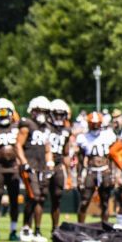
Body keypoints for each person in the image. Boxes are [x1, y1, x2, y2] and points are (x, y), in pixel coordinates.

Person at [16, 96, 54, 242]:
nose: (42, 114)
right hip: (30, 165)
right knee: (34, 195)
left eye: (45, 111)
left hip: (42, 167)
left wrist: (50, 163)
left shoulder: (47, 128)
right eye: (39, 110)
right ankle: (26, 228)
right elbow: (18, 145)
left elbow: (47, 148)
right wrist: (24, 163)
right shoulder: (27, 124)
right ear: (33, 110)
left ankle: (37, 231)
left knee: (41, 197)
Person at [0, 99, 24, 241]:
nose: (3, 115)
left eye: (5, 112)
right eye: (0, 112)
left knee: (14, 200)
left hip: (13, 168)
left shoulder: (16, 128)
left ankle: (13, 230)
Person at [76, 111, 117, 224]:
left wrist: (114, 174)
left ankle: (105, 228)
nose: (95, 126)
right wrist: (79, 177)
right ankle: (80, 227)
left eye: (97, 123)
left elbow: (113, 157)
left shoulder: (108, 135)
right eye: (93, 123)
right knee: (84, 202)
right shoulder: (83, 137)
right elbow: (80, 160)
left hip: (105, 171)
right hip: (91, 172)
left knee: (105, 202)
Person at [46, 99, 75, 233]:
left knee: (57, 196)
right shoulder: (45, 127)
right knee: (39, 197)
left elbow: (66, 153)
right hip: (43, 164)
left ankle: (55, 228)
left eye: (61, 114)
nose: (58, 117)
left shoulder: (66, 130)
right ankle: (35, 229)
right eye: (56, 114)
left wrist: (69, 175)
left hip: (57, 164)